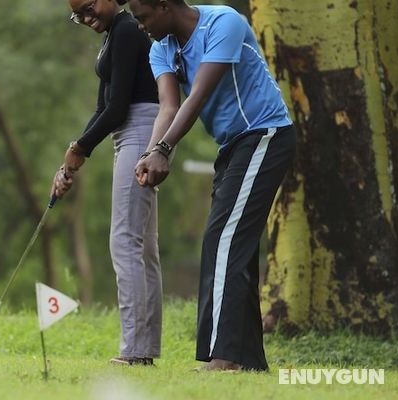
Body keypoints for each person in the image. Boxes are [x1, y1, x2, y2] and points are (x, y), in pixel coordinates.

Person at [127, 0, 296, 371]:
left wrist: (164, 150)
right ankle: (248, 360)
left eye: (142, 17)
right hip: (232, 146)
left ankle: (224, 358)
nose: (140, 26)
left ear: (164, 5)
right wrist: (151, 154)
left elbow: (198, 93)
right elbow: (169, 107)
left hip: (264, 134)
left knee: (222, 240)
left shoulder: (223, 23)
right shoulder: (161, 48)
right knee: (234, 246)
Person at [51, 0, 163, 366]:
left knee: (124, 240)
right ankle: (143, 350)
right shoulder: (115, 34)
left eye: (88, 8)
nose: (85, 19)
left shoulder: (128, 30)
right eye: (77, 15)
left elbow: (117, 108)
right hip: (126, 134)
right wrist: (73, 156)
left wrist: (80, 149)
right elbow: (104, 109)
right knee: (142, 245)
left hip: (140, 131)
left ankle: (134, 351)